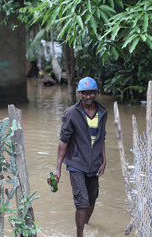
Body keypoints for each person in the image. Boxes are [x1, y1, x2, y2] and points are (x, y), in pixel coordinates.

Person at [51, 76, 107, 237]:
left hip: (94, 163)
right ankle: (80, 234)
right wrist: (58, 169)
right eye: (84, 93)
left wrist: (104, 161)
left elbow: (101, 138)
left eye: (91, 93)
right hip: (76, 163)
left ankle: (86, 224)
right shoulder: (71, 113)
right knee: (82, 202)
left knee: (93, 197)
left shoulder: (102, 112)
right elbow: (63, 142)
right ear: (79, 93)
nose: (88, 96)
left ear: (96, 92)